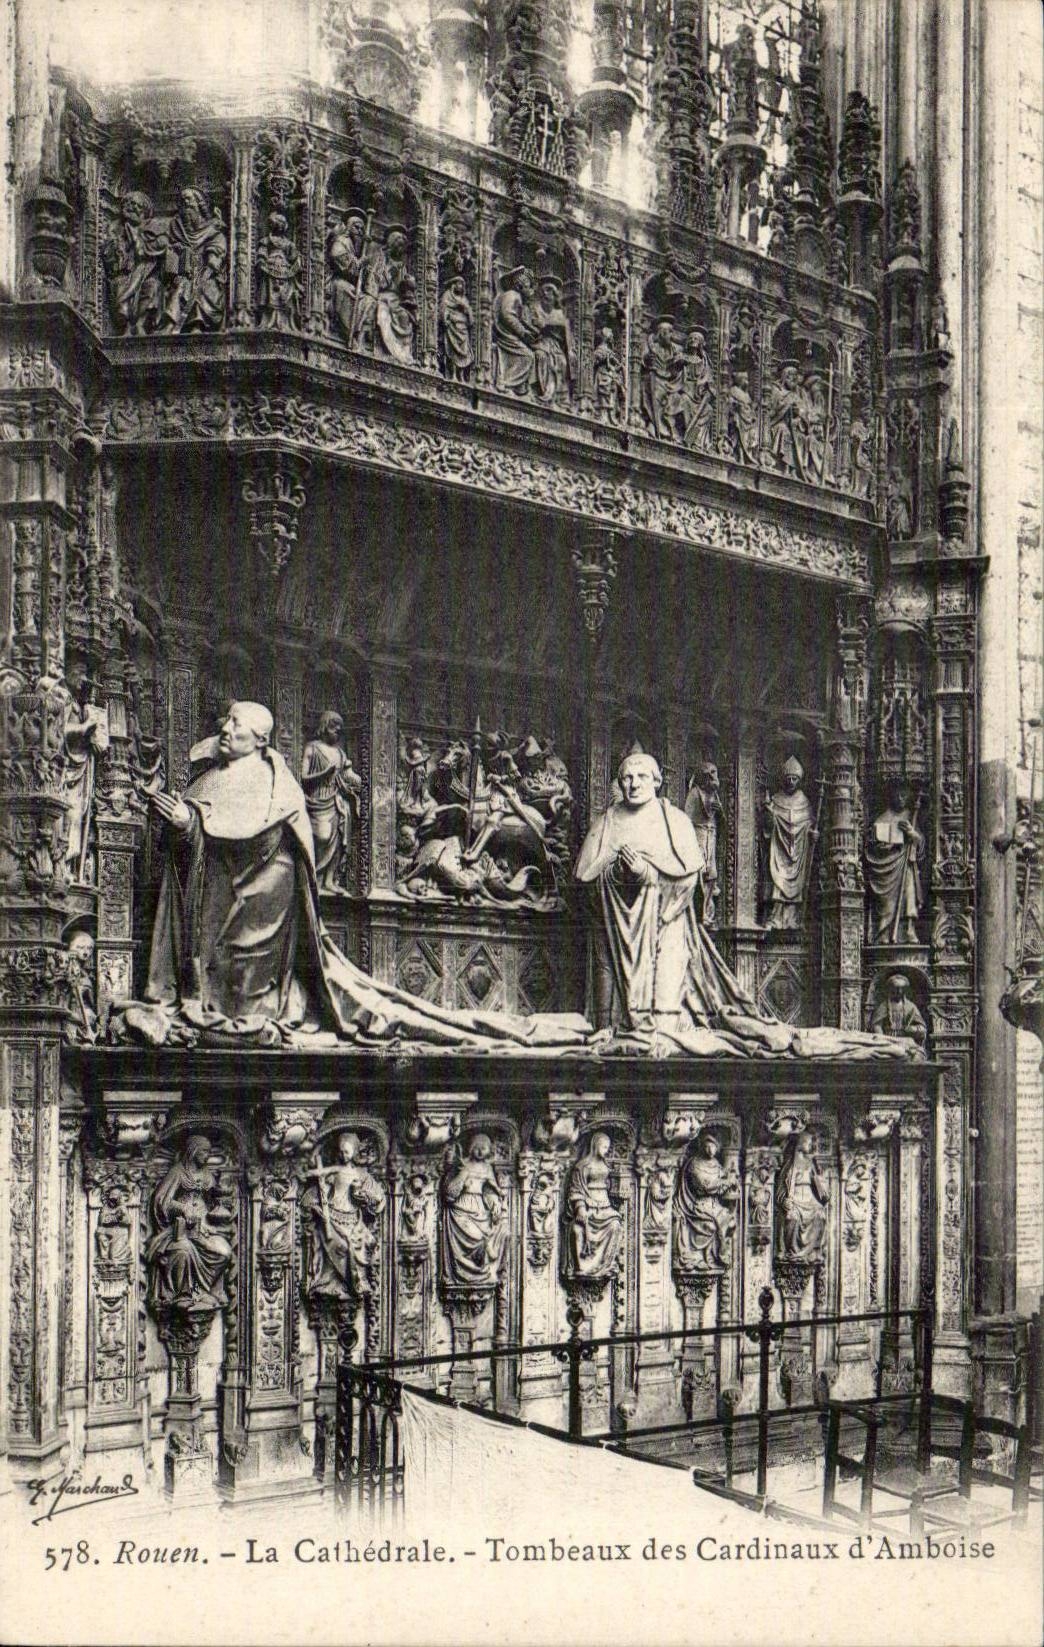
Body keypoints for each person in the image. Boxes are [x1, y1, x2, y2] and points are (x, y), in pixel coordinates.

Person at [118, 700, 590, 1051]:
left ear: (258, 738)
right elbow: (201, 851)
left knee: (263, 990)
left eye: (235, 724)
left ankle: (251, 1013)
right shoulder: (208, 777)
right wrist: (185, 826)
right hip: (222, 906)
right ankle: (226, 1011)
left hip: (261, 900)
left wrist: (192, 825)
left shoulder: (274, 784)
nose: (225, 728)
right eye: (227, 721)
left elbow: (264, 846)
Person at [577, 749, 913, 1060]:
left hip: (664, 926)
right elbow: (584, 884)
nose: (634, 783)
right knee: (606, 958)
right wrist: (617, 876)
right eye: (627, 778)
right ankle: (611, 1024)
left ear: (656, 781)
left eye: (641, 776)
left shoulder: (673, 820)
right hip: (614, 931)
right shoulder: (606, 823)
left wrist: (647, 874)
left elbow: (689, 880)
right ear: (619, 783)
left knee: (672, 963)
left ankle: (663, 1027)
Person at [146, 1134, 234, 1313]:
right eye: (203, 1152)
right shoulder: (178, 1172)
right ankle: (184, 1295)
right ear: (193, 1151)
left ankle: (201, 1291)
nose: (207, 1156)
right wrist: (182, 1208)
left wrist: (220, 1206)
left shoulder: (207, 1175)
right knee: (183, 1251)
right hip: (180, 1229)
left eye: (209, 1152)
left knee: (225, 1253)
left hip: (204, 1227)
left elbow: (214, 1201)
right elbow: (161, 1199)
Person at [301, 1131, 386, 1299]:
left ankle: (358, 1282)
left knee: (366, 1242)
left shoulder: (361, 1175)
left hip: (353, 1217)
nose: (343, 1155)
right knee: (341, 1245)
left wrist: (364, 1196)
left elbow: (378, 1197)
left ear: (354, 1152)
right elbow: (315, 1181)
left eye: (346, 1151)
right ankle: (331, 1283)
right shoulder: (336, 1171)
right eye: (340, 1151)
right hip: (332, 1215)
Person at [301, 710, 361, 892]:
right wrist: (324, 773)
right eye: (335, 728)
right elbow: (303, 777)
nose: (338, 733)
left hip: (337, 801)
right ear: (325, 727)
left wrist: (356, 779)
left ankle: (329, 879)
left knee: (340, 838)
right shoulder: (312, 748)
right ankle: (313, 879)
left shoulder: (340, 753)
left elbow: (347, 776)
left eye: (340, 730)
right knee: (322, 836)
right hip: (317, 799)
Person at [440, 1134, 507, 1290]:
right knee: (477, 1237)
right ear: (472, 1147)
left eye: (484, 1149)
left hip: (479, 1208)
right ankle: (471, 1273)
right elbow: (448, 1192)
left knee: (498, 1233)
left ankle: (483, 1270)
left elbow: (491, 1190)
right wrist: (462, 1177)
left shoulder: (487, 1168)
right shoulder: (462, 1165)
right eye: (478, 1147)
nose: (480, 1151)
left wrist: (496, 1202)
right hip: (461, 1209)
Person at [63, 665, 109, 883]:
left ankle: (72, 869)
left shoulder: (80, 705)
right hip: (65, 768)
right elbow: (55, 729)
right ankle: (62, 865)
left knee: (80, 814)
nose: (84, 678)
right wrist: (83, 729)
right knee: (69, 814)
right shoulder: (61, 698)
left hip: (81, 764)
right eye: (79, 671)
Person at [762, 756, 816, 930]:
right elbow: (768, 826)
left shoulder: (805, 802)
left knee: (797, 886)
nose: (791, 782)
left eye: (795, 779)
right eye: (788, 779)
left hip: (799, 850)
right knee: (778, 881)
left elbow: (809, 822)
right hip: (780, 847)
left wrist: (812, 833)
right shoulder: (776, 799)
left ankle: (793, 918)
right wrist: (770, 815)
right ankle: (775, 917)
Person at [866, 781, 923, 943]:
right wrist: (883, 847)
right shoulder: (882, 819)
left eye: (904, 796)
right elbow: (870, 847)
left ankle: (909, 930)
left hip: (906, 864)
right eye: (897, 795)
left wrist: (913, 834)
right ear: (890, 797)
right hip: (886, 868)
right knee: (886, 904)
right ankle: (884, 932)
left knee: (909, 893)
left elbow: (920, 842)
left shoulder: (910, 817)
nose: (901, 799)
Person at [673, 1132, 738, 1274]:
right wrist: (726, 1182)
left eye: (713, 1146)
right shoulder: (694, 1164)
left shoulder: (717, 1165)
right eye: (707, 1146)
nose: (710, 1150)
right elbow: (704, 1186)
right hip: (700, 1205)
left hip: (714, 1204)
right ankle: (710, 1258)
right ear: (702, 1147)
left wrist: (731, 1182)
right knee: (712, 1224)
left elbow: (721, 1187)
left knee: (731, 1223)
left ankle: (719, 1256)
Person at [564, 1132, 623, 1282]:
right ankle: (581, 1268)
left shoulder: (606, 1166)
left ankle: (606, 1265)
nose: (606, 1150)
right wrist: (580, 1208)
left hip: (605, 1208)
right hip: (588, 1208)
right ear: (595, 1146)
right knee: (577, 1231)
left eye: (607, 1148)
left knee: (615, 1225)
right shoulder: (582, 1166)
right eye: (604, 1147)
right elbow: (576, 1189)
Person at [775, 1130, 828, 1265]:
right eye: (809, 1142)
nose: (811, 1145)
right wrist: (783, 1200)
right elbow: (780, 1189)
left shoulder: (811, 1165)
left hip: (810, 1199)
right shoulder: (789, 1165)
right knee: (791, 1217)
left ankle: (814, 1251)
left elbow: (821, 1192)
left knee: (820, 1214)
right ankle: (793, 1253)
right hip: (795, 1200)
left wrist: (820, 1179)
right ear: (801, 1143)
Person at [492, 266, 536, 395]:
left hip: (510, 333)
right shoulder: (512, 295)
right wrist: (523, 332)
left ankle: (518, 386)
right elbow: (507, 315)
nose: (531, 290)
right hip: (506, 334)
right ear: (520, 285)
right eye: (529, 286)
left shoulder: (519, 299)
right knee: (527, 356)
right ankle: (506, 382)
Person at [328, 213, 367, 344]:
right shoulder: (342, 240)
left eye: (362, 229)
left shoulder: (355, 245)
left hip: (349, 282)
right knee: (349, 292)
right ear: (349, 227)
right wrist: (359, 263)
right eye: (357, 227)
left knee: (363, 299)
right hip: (337, 281)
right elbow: (337, 256)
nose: (360, 231)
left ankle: (355, 334)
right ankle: (346, 332)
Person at [871, 972, 927, 1045]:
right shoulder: (884, 1006)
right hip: (888, 1038)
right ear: (891, 989)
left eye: (901, 989)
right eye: (895, 989)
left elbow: (922, 1027)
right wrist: (881, 1038)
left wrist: (912, 1029)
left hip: (905, 1039)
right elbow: (876, 1024)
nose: (898, 991)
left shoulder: (910, 1007)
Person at [439, 275, 474, 381]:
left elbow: (470, 318)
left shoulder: (464, 300)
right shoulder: (447, 296)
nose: (462, 286)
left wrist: (466, 309)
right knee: (452, 351)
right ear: (453, 285)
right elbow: (443, 309)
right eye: (459, 284)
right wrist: (446, 319)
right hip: (452, 328)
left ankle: (461, 375)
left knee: (464, 352)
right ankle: (452, 374)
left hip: (463, 328)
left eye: (463, 285)